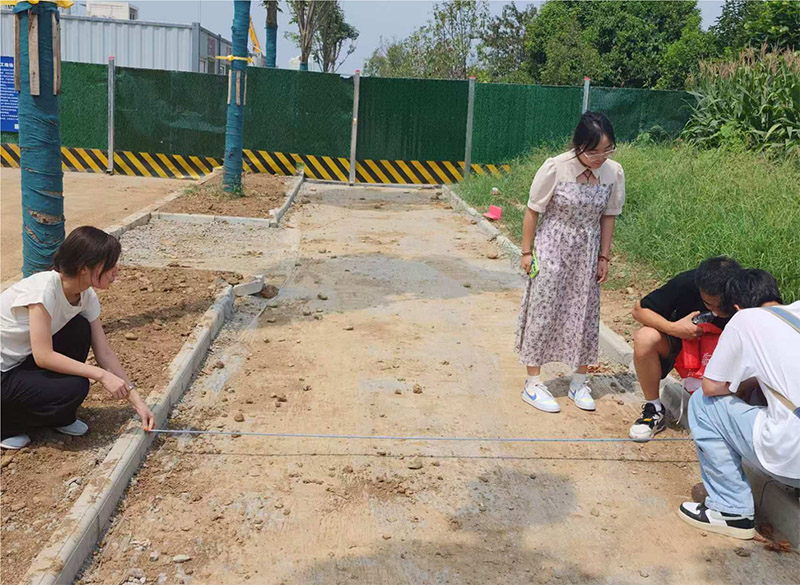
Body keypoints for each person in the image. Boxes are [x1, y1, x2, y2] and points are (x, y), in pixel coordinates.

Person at [1, 226, 155, 450]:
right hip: (3, 373)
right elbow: (43, 356)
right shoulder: (43, 291)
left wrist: (137, 401)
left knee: (80, 328)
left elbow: (104, 353)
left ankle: (57, 415)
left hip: (18, 364)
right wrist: (101, 375)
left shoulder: (85, 296)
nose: (116, 270)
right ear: (84, 268)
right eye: (109, 264)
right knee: (75, 386)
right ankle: (6, 426)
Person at [678, 269, 800, 539]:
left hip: (792, 456)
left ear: (735, 307)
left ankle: (731, 509)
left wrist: (742, 384)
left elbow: (711, 387)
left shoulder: (746, 319)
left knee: (702, 404)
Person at [516, 111, 625, 413]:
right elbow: (533, 210)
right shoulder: (556, 168)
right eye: (593, 152)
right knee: (544, 310)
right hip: (553, 248)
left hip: (587, 252)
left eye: (607, 150)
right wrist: (526, 252)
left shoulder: (613, 172)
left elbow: (609, 216)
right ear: (578, 145)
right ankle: (533, 382)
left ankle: (579, 380)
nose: (600, 158)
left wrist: (604, 256)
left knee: (585, 313)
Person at [629, 256, 741, 441]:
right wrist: (673, 328)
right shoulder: (686, 283)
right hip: (685, 348)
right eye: (709, 304)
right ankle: (653, 408)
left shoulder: (748, 288)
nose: (717, 311)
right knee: (645, 337)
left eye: (723, 305)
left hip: (729, 355)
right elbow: (639, 311)